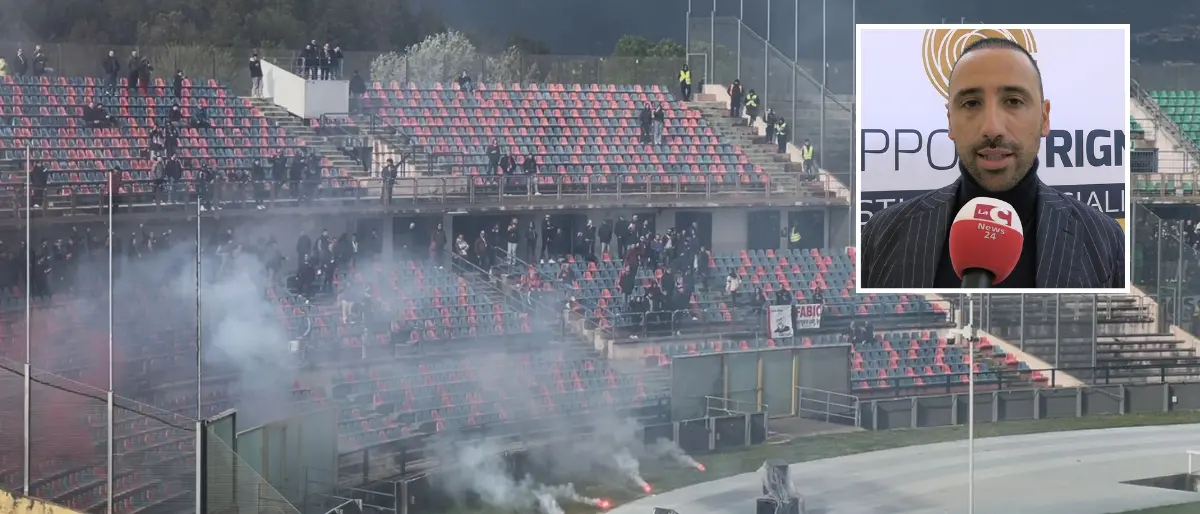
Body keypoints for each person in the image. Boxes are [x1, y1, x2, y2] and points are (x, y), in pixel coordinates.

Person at [860, 37, 1124, 289]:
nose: (992, 128)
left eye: (1013, 101)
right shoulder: (882, 235)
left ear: (1044, 118)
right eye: (971, 103)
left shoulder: (1104, 239)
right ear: (950, 121)